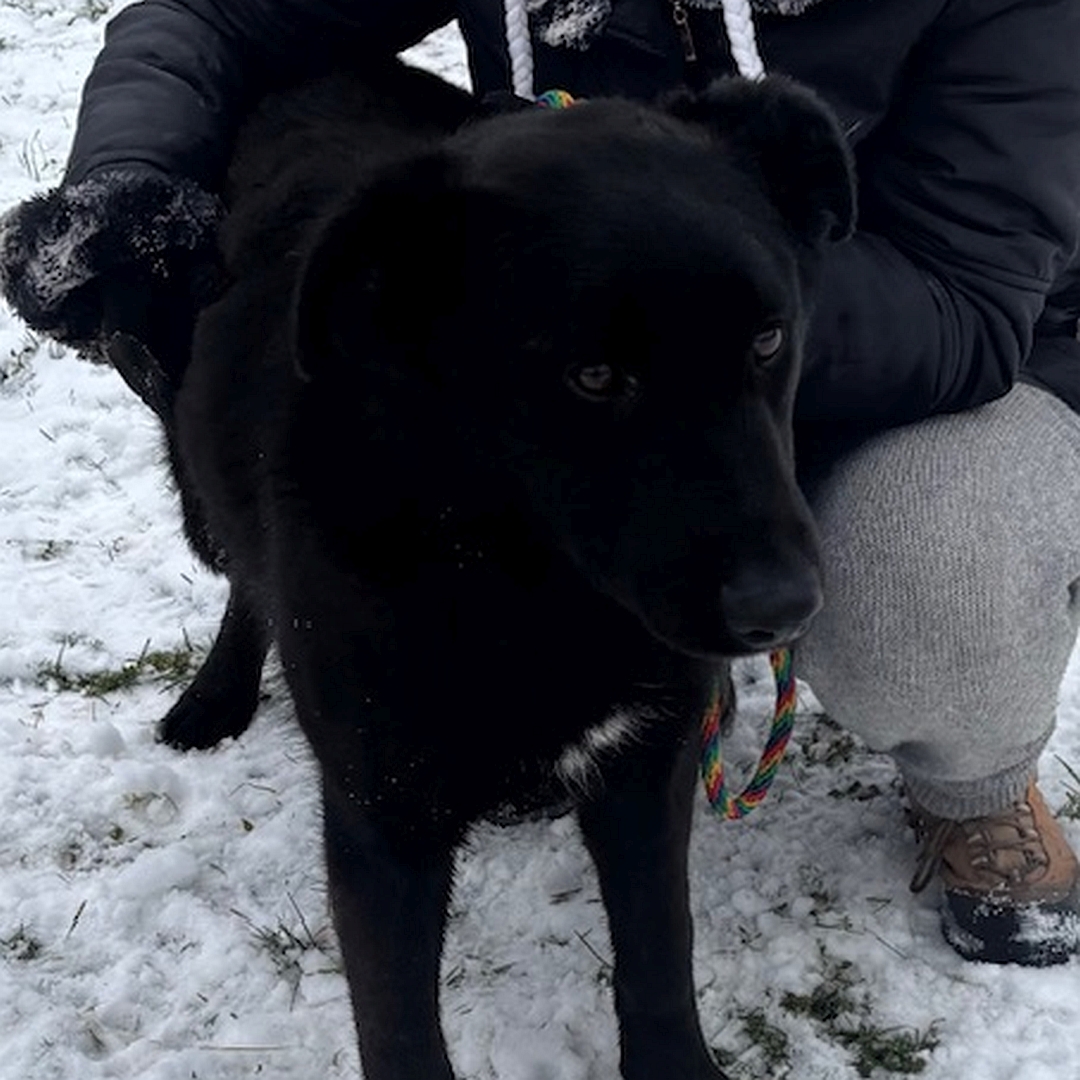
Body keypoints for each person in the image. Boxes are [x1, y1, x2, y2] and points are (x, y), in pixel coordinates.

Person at [2, 0, 1080, 966]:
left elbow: (968, 304)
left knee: (928, 573)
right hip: (609, 367)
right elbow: (214, 20)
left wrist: (674, 258)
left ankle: (975, 788)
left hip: (945, 382)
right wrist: (125, 175)